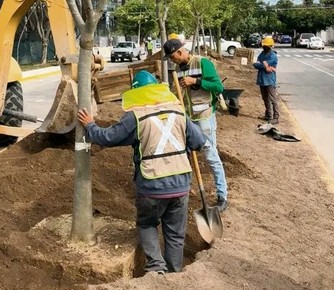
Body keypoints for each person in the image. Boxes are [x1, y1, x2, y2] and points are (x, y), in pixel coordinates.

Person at [77, 70, 206, 275]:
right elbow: (199, 142)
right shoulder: (178, 111)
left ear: (136, 92)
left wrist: (90, 126)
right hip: (181, 184)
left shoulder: (135, 116)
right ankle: (174, 271)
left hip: (151, 185)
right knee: (175, 233)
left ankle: (156, 268)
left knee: (147, 224)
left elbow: (108, 138)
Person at [163, 38, 229, 212]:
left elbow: (218, 87)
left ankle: (223, 196)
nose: (172, 61)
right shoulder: (177, 70)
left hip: (204, 118)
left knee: (210, 155)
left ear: (179, 52)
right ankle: (183, 191)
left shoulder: (202, 63)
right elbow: (175, 94)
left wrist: (196, 82)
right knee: (184, 156)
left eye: (172, 57)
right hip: (186, 120)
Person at [253, 36, 279, 124]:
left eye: (266, 46)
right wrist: (264, 66)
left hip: (269, 80)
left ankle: (276, 117)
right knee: (265, 98)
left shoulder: (273, 56)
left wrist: (263, 64)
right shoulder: (262, 54)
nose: (264, 47)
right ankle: (268, 115)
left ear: (270, 46)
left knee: (273, 98)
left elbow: (262, 64)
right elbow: (256, 64)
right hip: (262, 79)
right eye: (264, 46)